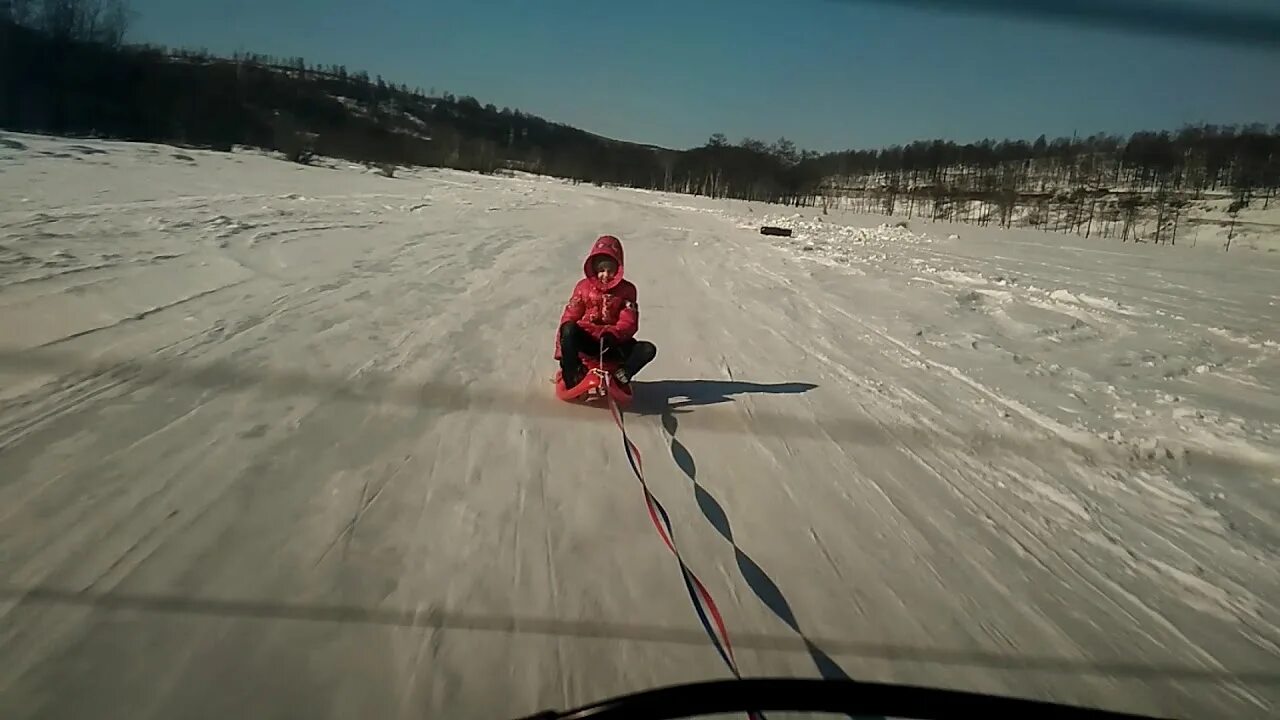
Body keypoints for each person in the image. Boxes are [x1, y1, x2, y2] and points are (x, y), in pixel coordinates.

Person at [556, 234, 657, 389]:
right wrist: (563, 352)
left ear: (618, 269)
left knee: (647, 349)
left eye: (610, 270)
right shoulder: (583, 287)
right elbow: (569, 317)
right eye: (601, 270)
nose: (605, 275)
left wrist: (614, 334)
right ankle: (573, 374)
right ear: (594, 269)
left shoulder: (627, 290)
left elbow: (629, 320)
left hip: (612, 343)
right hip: (588, 342)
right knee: (569, 329)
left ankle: (621, 376)